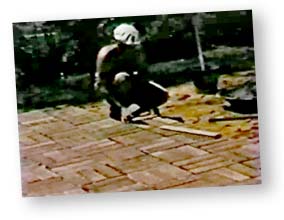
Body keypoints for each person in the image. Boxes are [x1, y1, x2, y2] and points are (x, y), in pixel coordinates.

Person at [94, 23, 169, 122]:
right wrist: (118, 105)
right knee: (122, 77)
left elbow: (143, 74)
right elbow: (101, 86)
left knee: (162, 94)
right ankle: (122, 109)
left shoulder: (137, 52)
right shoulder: (106, 55)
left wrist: (151, 100)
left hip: (132, 84)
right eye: (124, 46)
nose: (128, 49)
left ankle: (134, 110)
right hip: (113, 89)